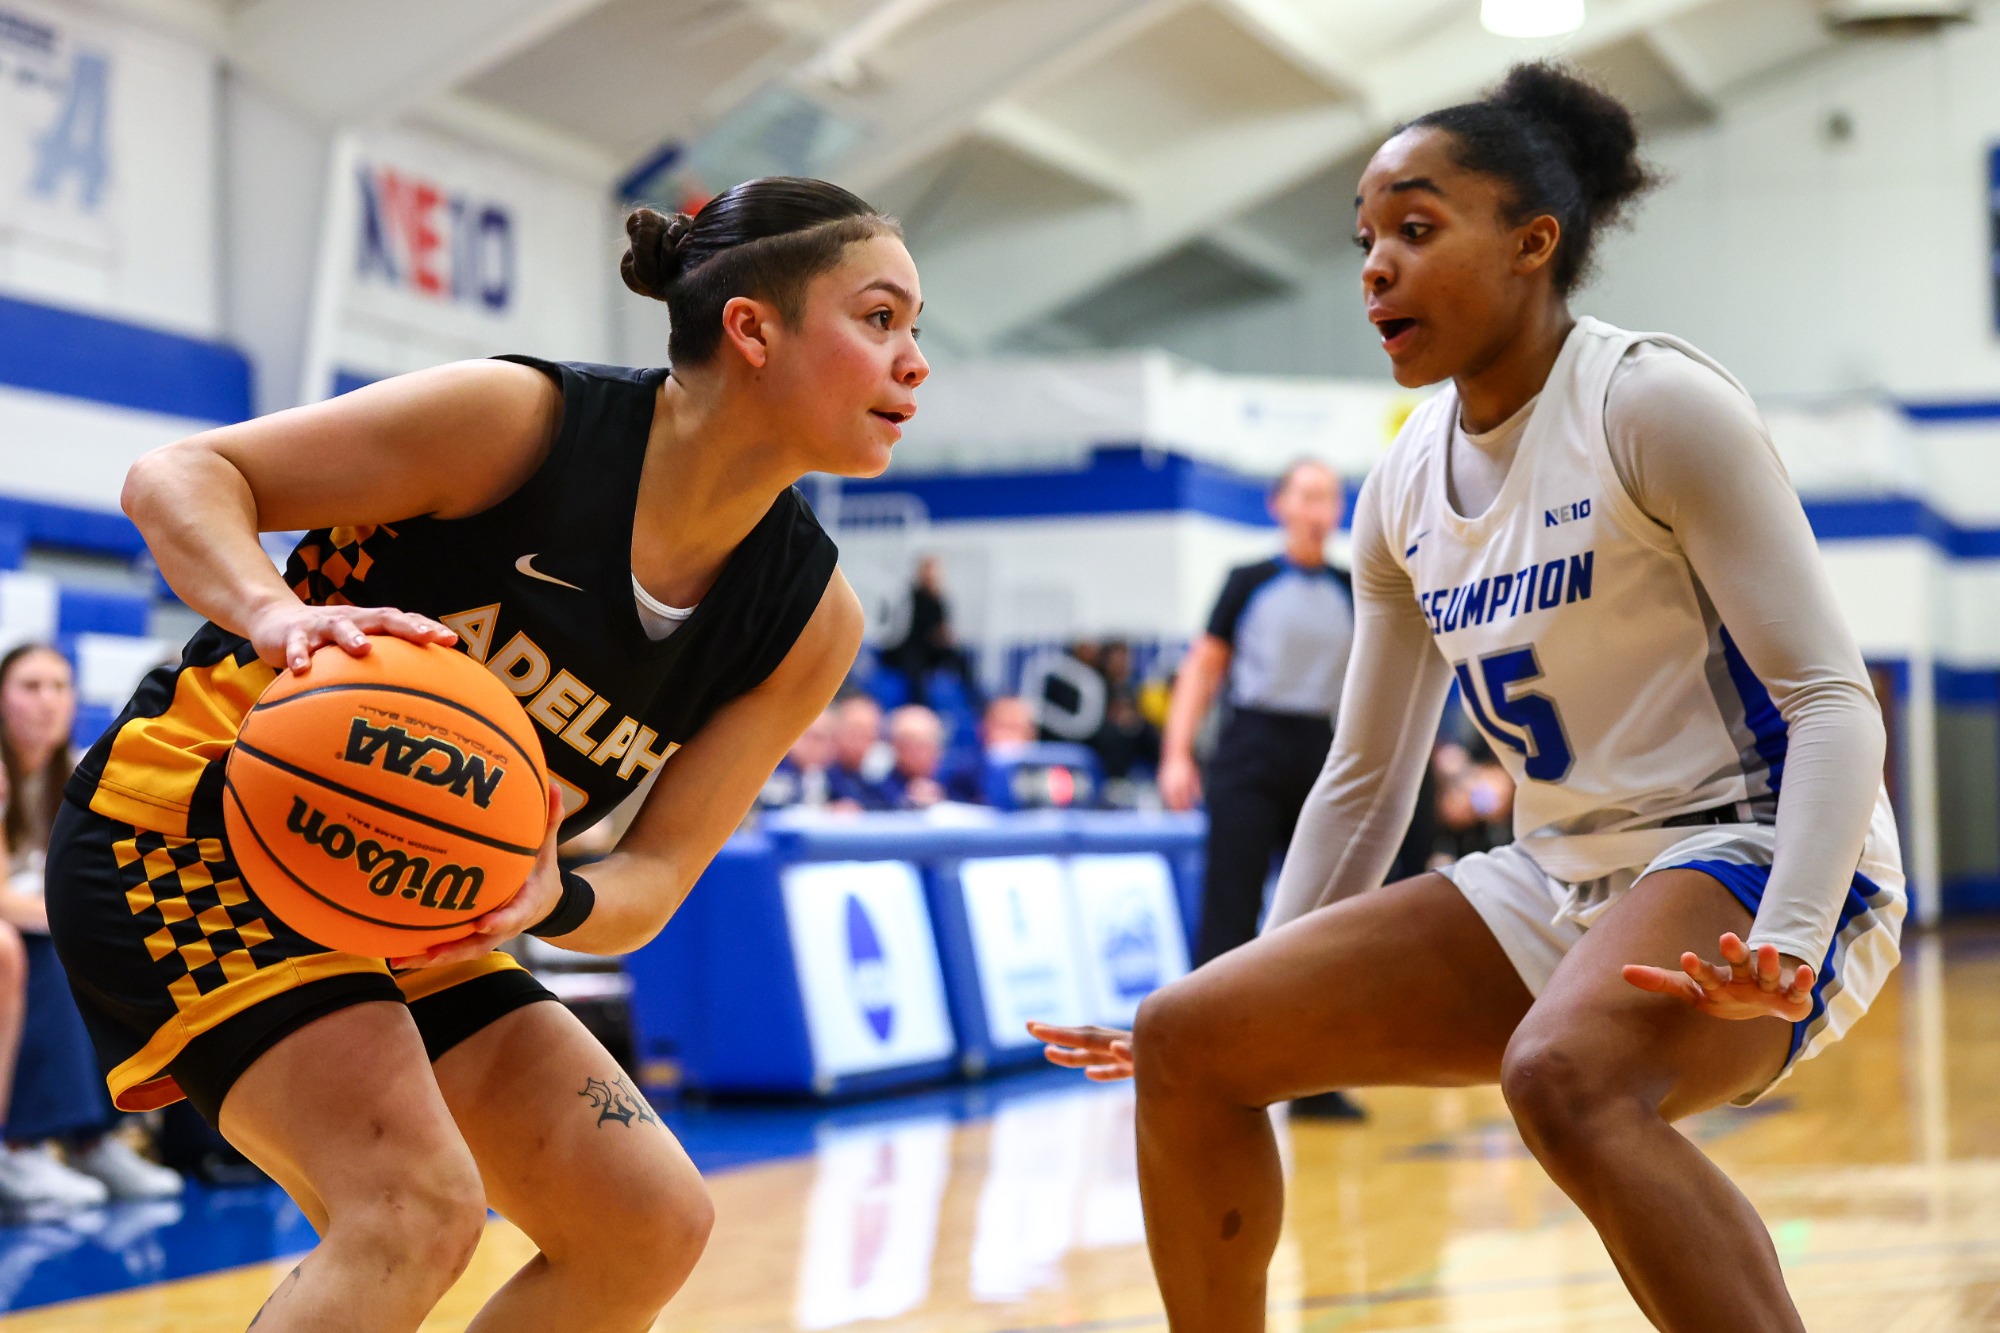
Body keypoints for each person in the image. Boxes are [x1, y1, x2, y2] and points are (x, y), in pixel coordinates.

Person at [1031, 63, 1902, 1333]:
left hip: (1756, 849)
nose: (1374, 267)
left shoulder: (1649, 403)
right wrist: (1252, 994)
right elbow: (1362, 783)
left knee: (1563, 1076)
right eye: (1363, 240)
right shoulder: (1396, 490)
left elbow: (1832, 699)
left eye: (1415, 228)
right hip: (1559, 873)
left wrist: (1793, 931)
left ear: (1530, 244)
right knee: (1186, 1036)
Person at [48, 176, 925, 1330]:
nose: (913, 362)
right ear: (751, 329)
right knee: (410, 1208)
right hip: (191, 833)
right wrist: (274, 615)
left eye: (913, 328)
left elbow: (653, 876)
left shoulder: (808, 620)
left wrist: (552, 895)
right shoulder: (522, 424)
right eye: (878, 318)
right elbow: (177, 475)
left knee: (646, 1219)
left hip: (418, 903)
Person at [0, 644, 182, 1205]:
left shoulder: (75, 775)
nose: (48, 701)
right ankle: (29, 1144)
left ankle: (97, 1139)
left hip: (34, 926)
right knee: (51, 949)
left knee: (120, 945)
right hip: (20, 934)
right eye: (31, 687)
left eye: (60, 687)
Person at [1157, 459, 1355, 967]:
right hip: (1250, 749)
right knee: (1231, 903)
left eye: (1328, 498)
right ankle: (1213, 1011)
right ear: (1279, 505)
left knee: (1322, 911)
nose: (1317, 511)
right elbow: (1201, 671)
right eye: (1307, 496)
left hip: (1322, 752)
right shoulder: (1247, 582)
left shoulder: (1354, 588)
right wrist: (1177, 755)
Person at [880, 555, 977, 707]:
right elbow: (895, 631)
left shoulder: (939, 600)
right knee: (915, 668)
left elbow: (942, 628)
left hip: (931, 649)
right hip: (906, 647)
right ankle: (919, 706)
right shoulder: (906, 598)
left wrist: (944, 637)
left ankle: (974, 701)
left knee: (961, 658)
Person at [881, 704, 980, 808]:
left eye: (927, 744)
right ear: (896, 747)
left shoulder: (955, 785)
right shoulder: (881, 790)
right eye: (910, 745)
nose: (918, 753)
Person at [824, 694, 893, 810]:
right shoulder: (822, 770)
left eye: (866, 733)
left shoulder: (883, 774)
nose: (858, 741)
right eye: (854, 731)